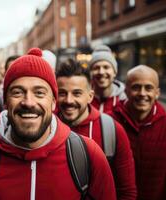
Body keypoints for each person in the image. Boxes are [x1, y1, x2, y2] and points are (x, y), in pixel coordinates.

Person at [0, 48, 116, 200]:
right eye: (17, 92)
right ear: (5, 102)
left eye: (39, 93)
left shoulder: (88, 154)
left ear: (53, 102)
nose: (28, 102)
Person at [56, 59, 136, 200]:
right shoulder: (48, 128)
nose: (68, 100)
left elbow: (127, 191)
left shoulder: (112, 130)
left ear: (90, 96)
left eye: (77, 93)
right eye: (62, 93)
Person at [111, 65, 166, 200]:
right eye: (136, 87)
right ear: (126, 91)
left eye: (148, 88)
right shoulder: (109, 122)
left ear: (157, 93)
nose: (142, 93)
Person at [88, 45, 126, 113]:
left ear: (114, 72)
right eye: (96, 68)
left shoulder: (124, 100)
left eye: (106, 67)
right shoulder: (84, 99)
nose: (101, 72)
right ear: (90, 73)